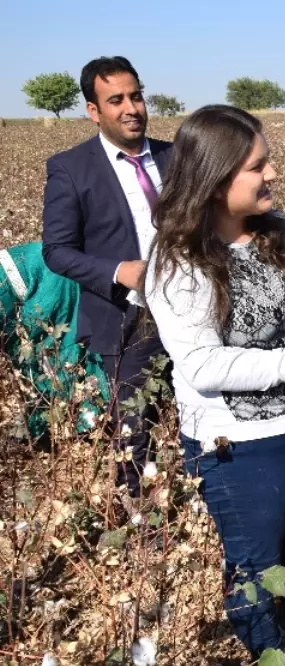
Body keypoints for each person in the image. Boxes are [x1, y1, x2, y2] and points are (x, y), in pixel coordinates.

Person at [144, 105, 285, 666]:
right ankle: (269, 663)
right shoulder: (177, 262)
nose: (271, 177)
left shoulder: (276, 231)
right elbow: (205, 367)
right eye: (257, 167)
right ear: (214, 181)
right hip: (237, 442)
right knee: (254, 558)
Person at [41, 56, 170, 501]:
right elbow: (56, 252)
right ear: (93, 111)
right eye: (115, 99)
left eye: (135, 95)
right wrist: (120, 271)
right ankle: (139, 519)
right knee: (135, 425)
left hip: (190, 309)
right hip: (127, 317)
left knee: (201, 411)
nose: (131, 107)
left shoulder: (177, 156)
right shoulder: (71, 168)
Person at [1, 242, 109, 440]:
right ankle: (50, 415)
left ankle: (86, 417)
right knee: (33, 353)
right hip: (40, 269)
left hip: (47, 280)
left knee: (54, 348)